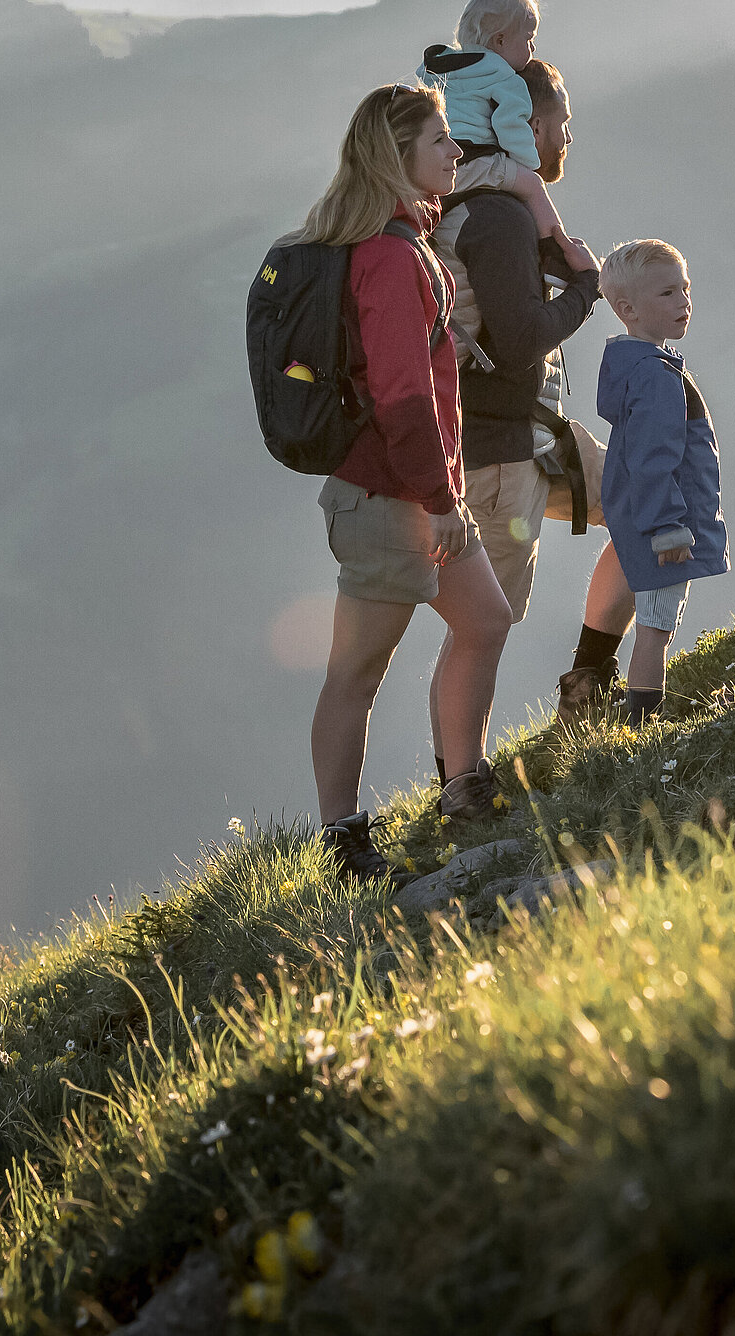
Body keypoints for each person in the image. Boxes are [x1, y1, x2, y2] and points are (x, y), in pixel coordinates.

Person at [301, 81, 516, 883]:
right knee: (357, 672)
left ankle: (463, 787)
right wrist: (442, 502)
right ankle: (344, 842)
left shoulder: (402, 244)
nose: (456, 152)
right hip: (392, 499)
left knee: (485, 619)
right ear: (399, 157)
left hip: (413, 493)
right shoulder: (390, 258)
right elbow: (399, 397)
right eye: (440, 141)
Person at [429, 57, 638, 741]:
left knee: (652, 507)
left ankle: (588, 695)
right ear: (532, 124)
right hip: (497, 455)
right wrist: (587, 290)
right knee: (482, 628)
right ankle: (461, 785)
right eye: (562, 123)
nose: (566, 138)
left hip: (528, 435)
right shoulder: (495, 217)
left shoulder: (483, 210)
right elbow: (519, 342)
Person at [596, 240, 729, 724]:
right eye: (668, 294)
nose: (684, 303)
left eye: (685, 290)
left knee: (655, 621)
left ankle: (640, 718)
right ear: (627, 309)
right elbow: (653, 458)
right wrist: (668, 526)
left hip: (650, 517)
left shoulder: (641, 365)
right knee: (655, 626)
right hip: (663, 527)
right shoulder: (655, 374)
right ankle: (644, 725)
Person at [414, 0, 592, 272]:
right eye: (528, 40)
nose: (532, 49)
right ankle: (554, 257)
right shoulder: (504, 78)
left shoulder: (437, 63)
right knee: (533, 187)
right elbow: (510, 126)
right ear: (499, 41)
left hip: (433, 161)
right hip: (471, 159)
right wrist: (527, 164)